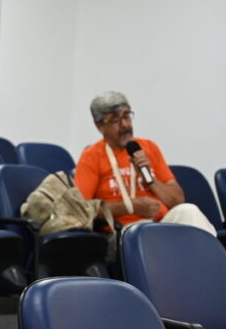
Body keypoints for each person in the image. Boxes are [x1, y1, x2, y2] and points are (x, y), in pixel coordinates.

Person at [74, 91, 215, 233]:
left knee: (189, 211)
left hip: (161, 223)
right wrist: (130, 206)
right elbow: (81, 210)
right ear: (99, 126)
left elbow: (178, 200)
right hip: (126, 231)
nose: (125, 125)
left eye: (127, 116)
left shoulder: (148, 147)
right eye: (116, 120)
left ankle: (209, 248)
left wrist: (149, 178)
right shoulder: (91, 156)